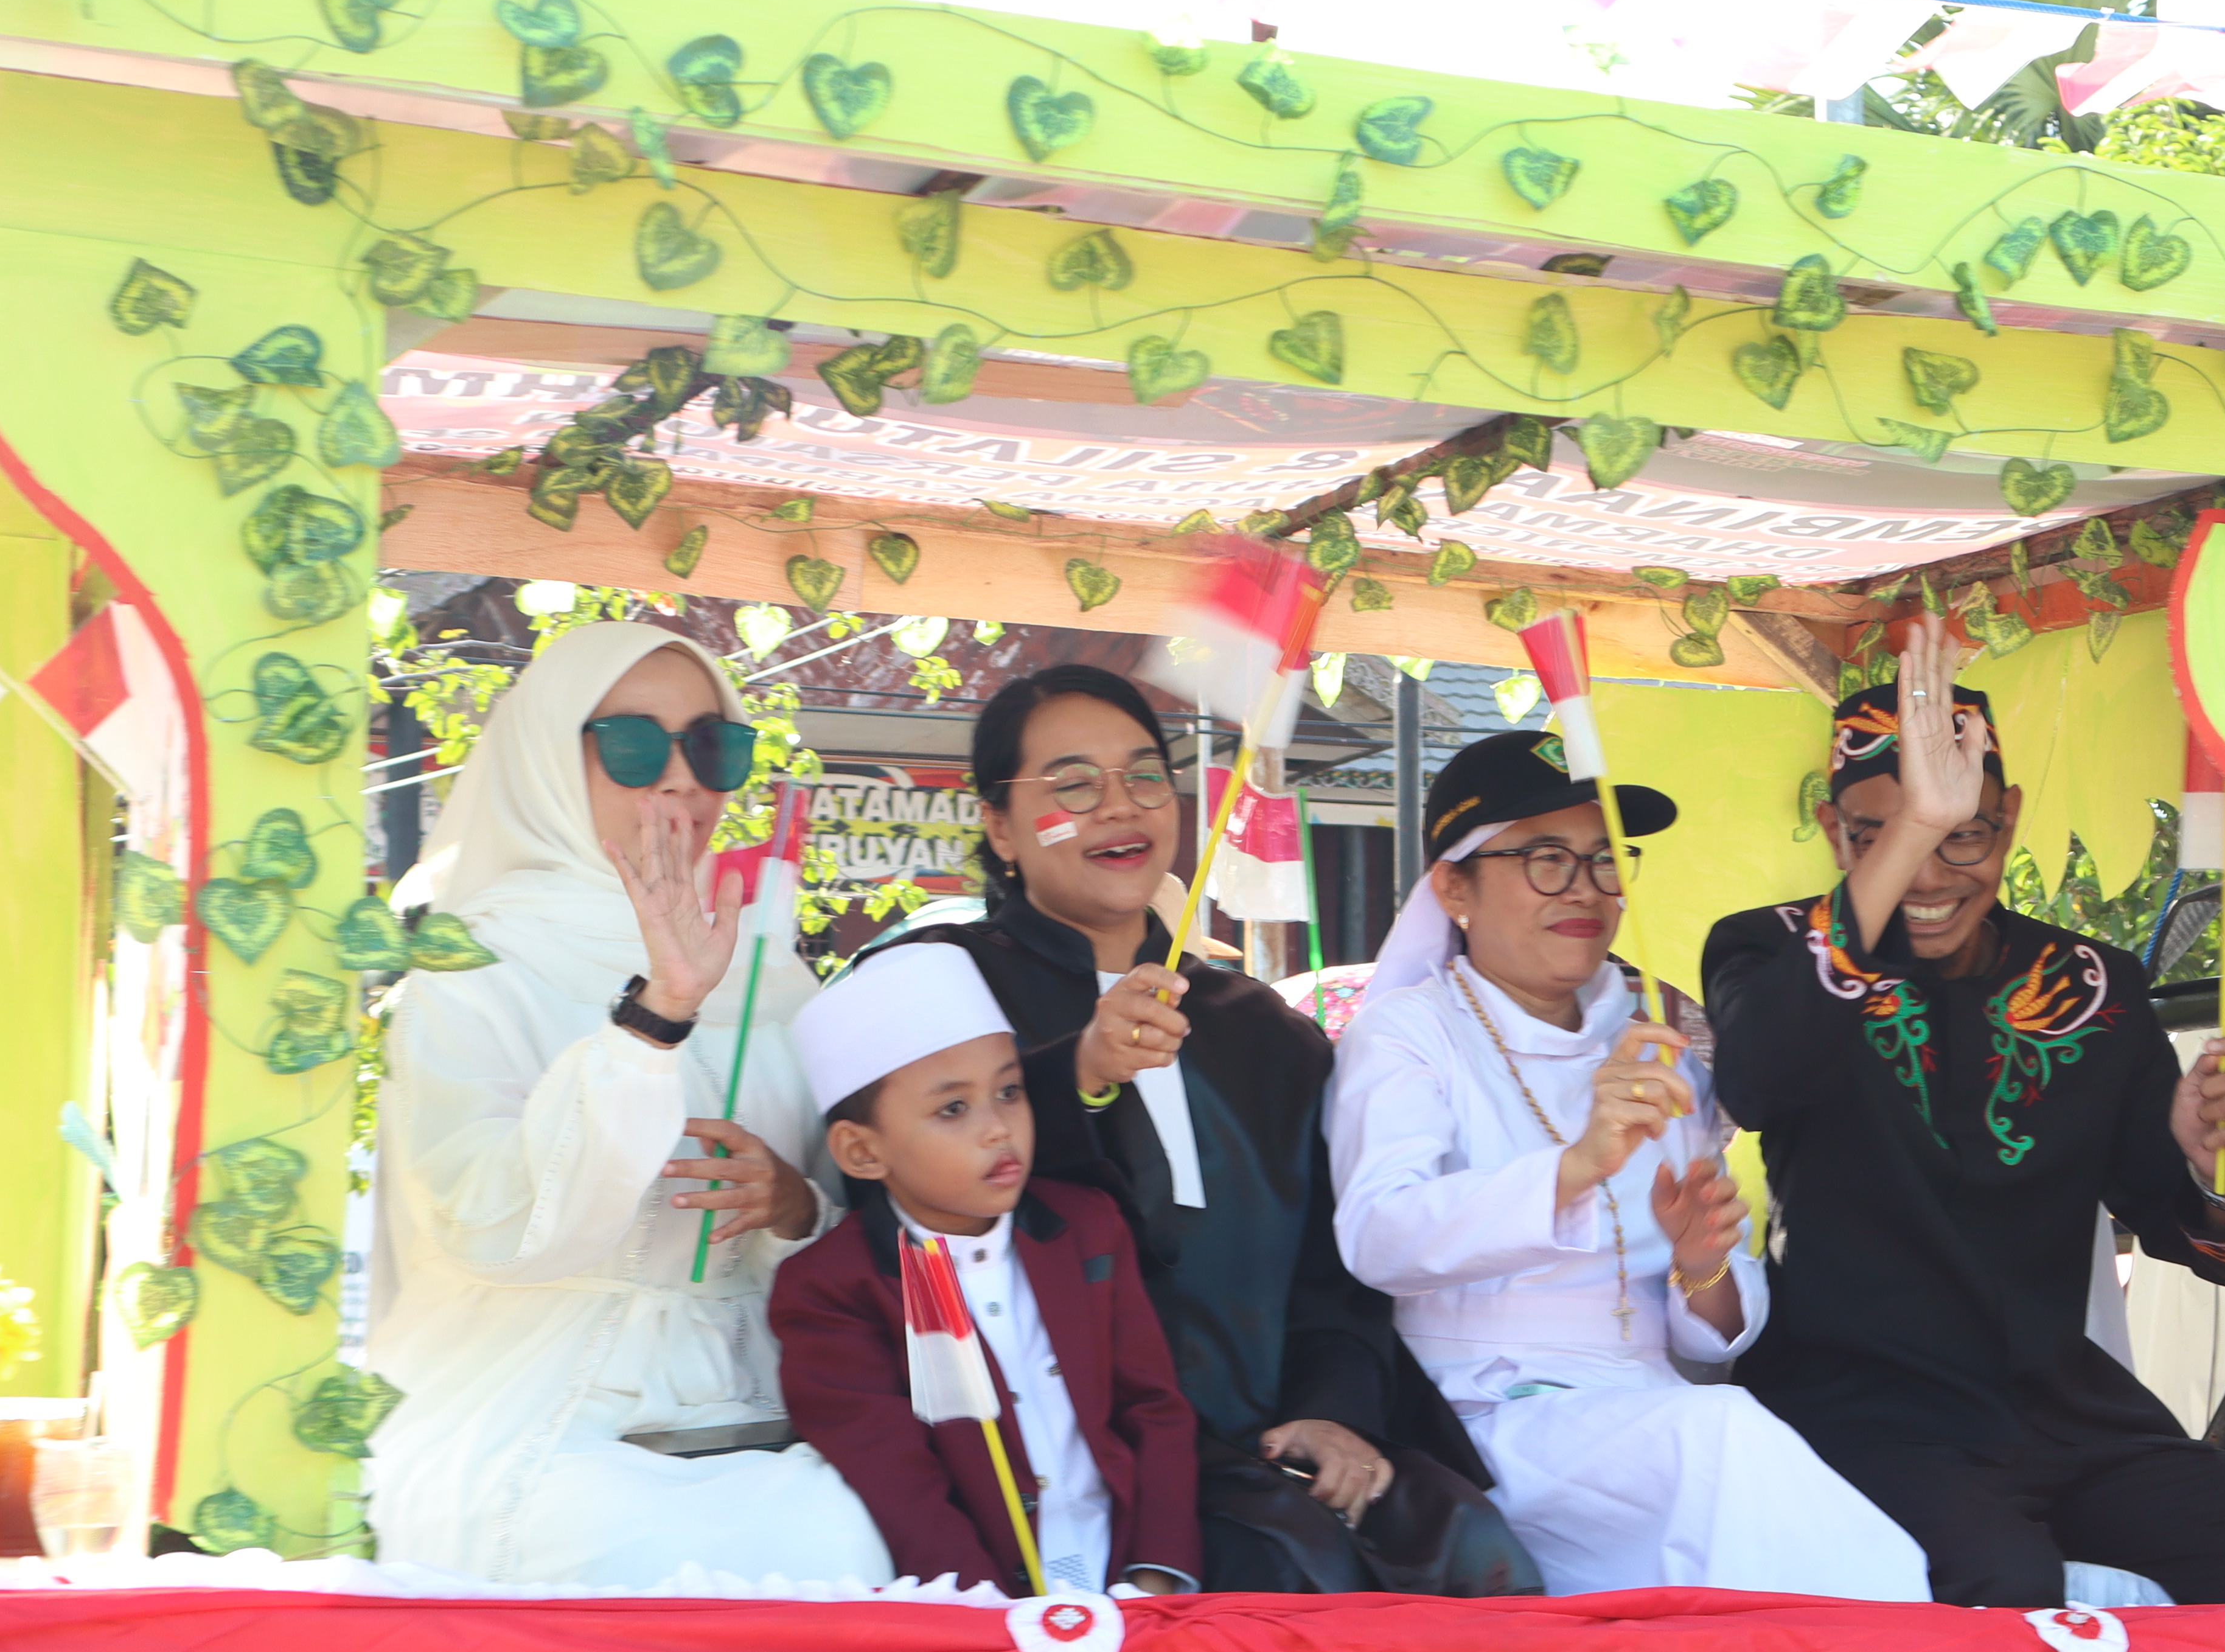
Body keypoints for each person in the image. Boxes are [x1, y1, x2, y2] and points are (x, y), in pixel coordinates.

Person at [1701, 616, 2225, 1608]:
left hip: (2066, 1418)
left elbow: (2219, 1247)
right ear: (1838, 835)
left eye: (1963, 834)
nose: (1930, 875)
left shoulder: (2091, 983)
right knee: (2002, 1586)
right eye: (1889, 836)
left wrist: (2220, 1171)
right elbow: (1755, 1078)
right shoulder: (1771, 948)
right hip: (1860, 1416)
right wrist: (1921, 822)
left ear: (2009, 821)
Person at [910, 666, 1537, 1597]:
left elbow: (1335, 1272)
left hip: (1273, 1436)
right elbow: (902, 1192)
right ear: (1000, 825)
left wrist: (1333, 1413)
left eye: (1144, 776)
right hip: (1059, 1446)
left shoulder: (1261, 1030)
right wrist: (1077, 1074)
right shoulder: (935, 990)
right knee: (1288, 1574)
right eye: (1074, 785)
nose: (1120, 806)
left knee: (1471, 1552)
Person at [1327, 731, 1932, 1601]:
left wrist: (1702, 1265)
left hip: (1646, 1407)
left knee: (1739, 1460)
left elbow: (1710, 1332)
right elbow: (1378, 1236)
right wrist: (1575, 1167)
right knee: (1722, 1447)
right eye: (1546, 859)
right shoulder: (1409, 1033)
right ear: (1453, 887)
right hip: (1479, 1418)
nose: (1584, 888)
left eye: (1605, 860)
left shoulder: (1654, 1046)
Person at [366, 623, 891, 1588]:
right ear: (548, 757)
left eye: (713, 747)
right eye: (637, 746)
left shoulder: (770, 973)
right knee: (630, 1547)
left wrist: (791, 1207)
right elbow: (490, 1222)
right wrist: (654, 1022)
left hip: (768, 1414)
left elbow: (854, 1214)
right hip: (540, 1409)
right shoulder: (474, 969)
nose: (682, 779)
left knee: (852, 1540)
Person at [767, 944, 1200, 1593]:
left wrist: (1156, 1576)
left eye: (1009, 1092)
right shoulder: (833, 1289)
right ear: (861, 1152)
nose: (999, 1128)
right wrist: (989, 1619)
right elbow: (899, 1486)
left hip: (1131, 1586)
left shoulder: (1088, 1227)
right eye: (953, 1109)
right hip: (977, 1609)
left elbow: (1154, 1409)